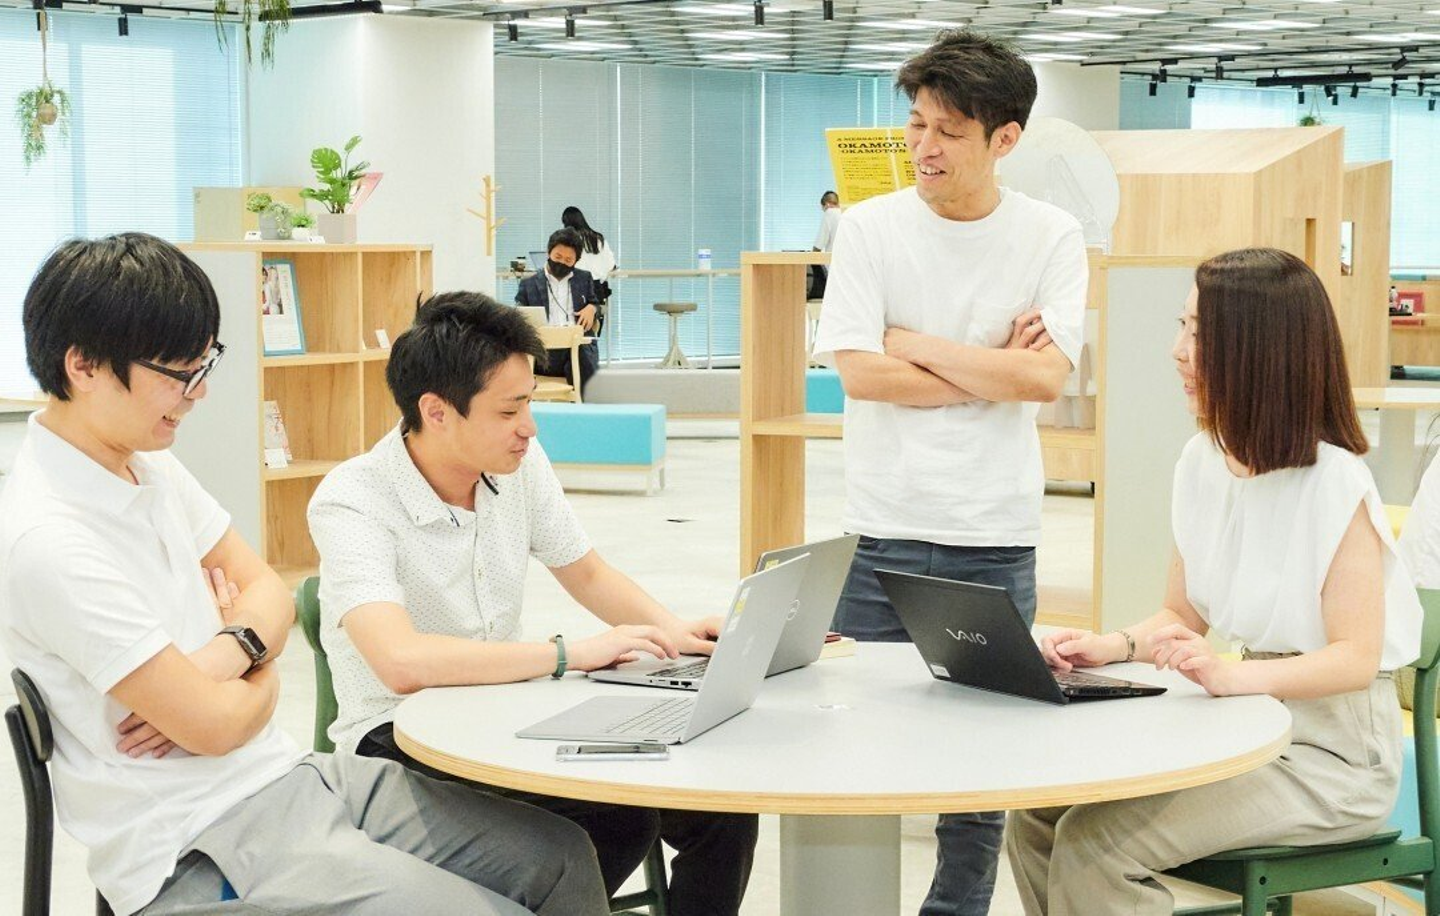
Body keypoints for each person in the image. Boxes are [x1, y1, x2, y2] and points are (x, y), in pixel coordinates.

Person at [0, 233, 610, 916]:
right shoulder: (50, 540)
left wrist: (227, 653)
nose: (198, 393)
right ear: (83, 365)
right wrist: (260, 666)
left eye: (204, 366)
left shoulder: (148, 464)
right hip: (195, 841)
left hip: (288, 776)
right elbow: (214, 727)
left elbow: (272, 595)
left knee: (561, 855)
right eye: (178, 373)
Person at [307, 292, 760, 916]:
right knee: (617, 820)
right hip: (398, 738)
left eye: (530, 402)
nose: (530, 427)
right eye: (509, 410)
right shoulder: (354, 499)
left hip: (499, 710)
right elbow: (400, 662)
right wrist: (568, 654)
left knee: (723, 806)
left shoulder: (517, 464)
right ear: (436, 412)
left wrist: (672, 630)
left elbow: (586, 571)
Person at [1007, 248, 1423, 915]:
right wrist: (1107, 646)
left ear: (1258, 351)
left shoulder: (1335, 481)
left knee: (1096, 845)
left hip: (1335, 759)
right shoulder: (1202, 459)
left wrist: (1232, 676)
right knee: (1036, 815)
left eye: (1200, 334)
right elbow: (1182, 614)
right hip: (1247, 724)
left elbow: (1355, 659)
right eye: (1183, 326)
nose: (1178, 351)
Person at [810, 29, 1088, 916]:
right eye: (917, 125)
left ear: (1005, 139)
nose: (923, 147)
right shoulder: (870, 228)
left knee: (983, 764)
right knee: (846, 736)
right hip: (879, 530)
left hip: (992, 534)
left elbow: (1042, 380)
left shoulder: (1050, 235)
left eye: (948, 131)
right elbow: (861, 375)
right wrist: (988, 369)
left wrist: (914, 344)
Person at [515, 227, 600, 394]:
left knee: (583, 357)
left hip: (577, 349)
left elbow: (594, 302)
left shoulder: (584, 278)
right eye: (558, 257)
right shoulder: (528, 284)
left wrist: (592, 308)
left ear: (576, 261)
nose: (562, 263)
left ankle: (586, 404)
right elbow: (520, 315)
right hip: (544, 351)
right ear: (549, 252)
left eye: (568, 260)